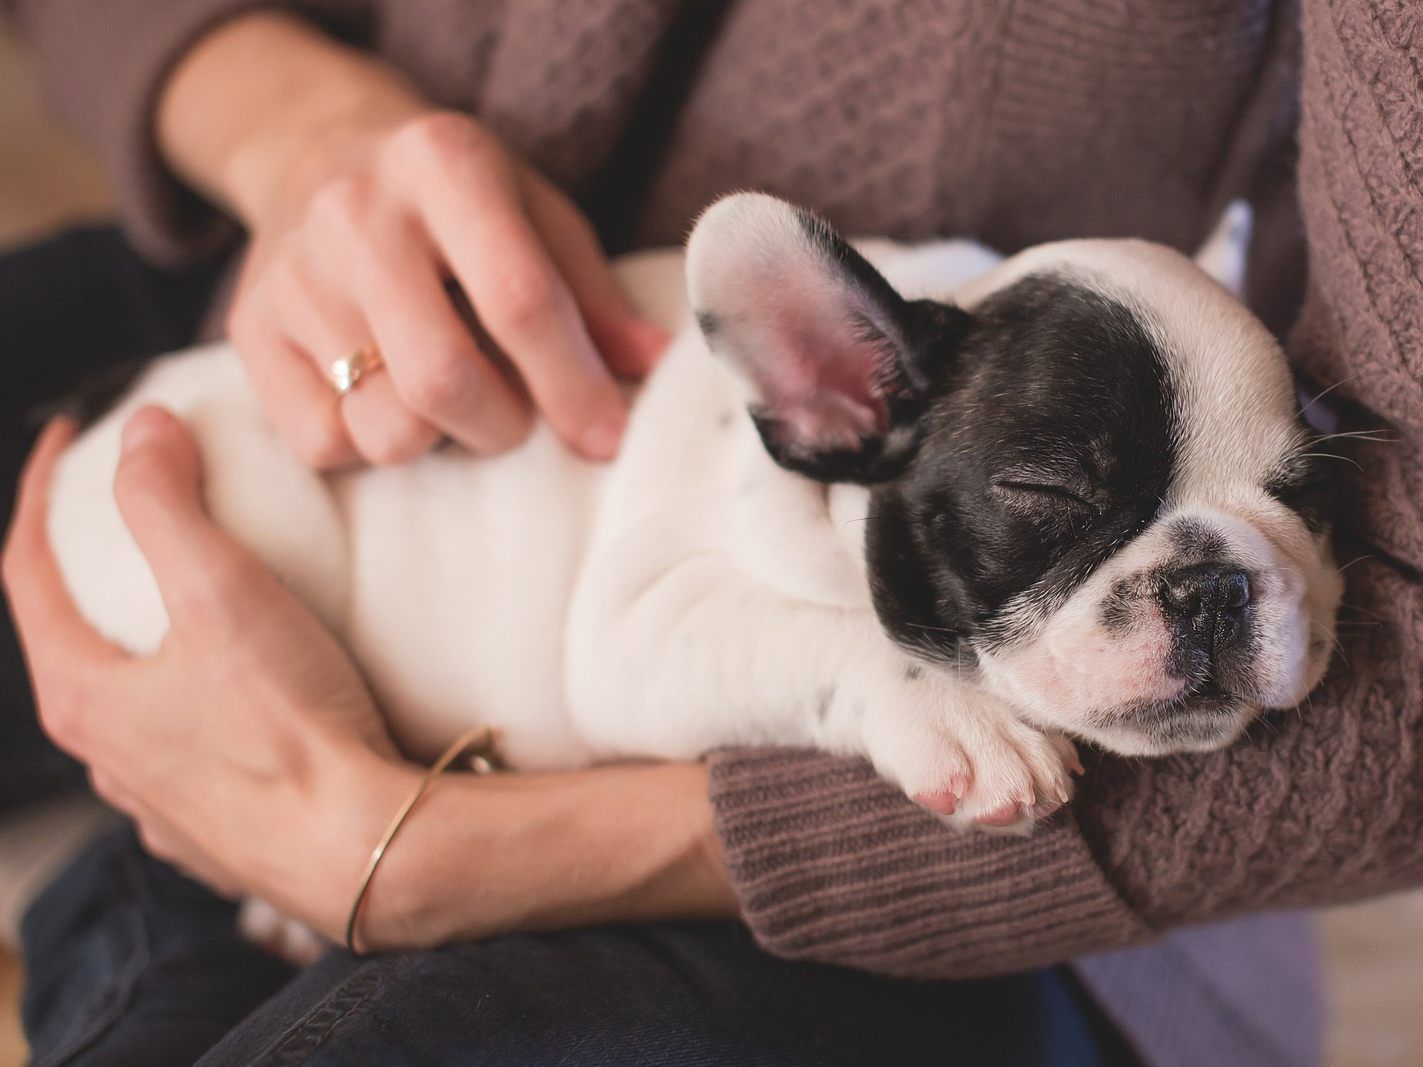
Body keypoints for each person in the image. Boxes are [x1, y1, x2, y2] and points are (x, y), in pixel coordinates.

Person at [1, 2, 1419, 1064]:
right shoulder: (831, 422)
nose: (1213, 589)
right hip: (265, 443)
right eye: (1055, 509)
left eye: (1292, 499)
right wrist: (288, 121)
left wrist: (401, 859)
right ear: (826, 396)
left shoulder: (969, 394)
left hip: (704, 858)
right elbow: (632, 660)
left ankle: (136, 916)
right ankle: (156, 893)